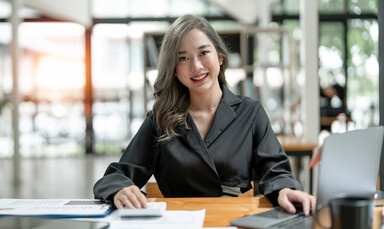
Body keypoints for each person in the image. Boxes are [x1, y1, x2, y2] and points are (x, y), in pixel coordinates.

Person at [93, 14, 315, 216]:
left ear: (219, 56)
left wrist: (286, 189)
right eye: (183, 58)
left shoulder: (250, 112)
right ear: (173, 69)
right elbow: (117, 175)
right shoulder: (160, 118)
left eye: (203, 53)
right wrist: (120, 189)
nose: (196, 66)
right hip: (178, 226)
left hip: (234, 223)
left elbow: (275, 171)